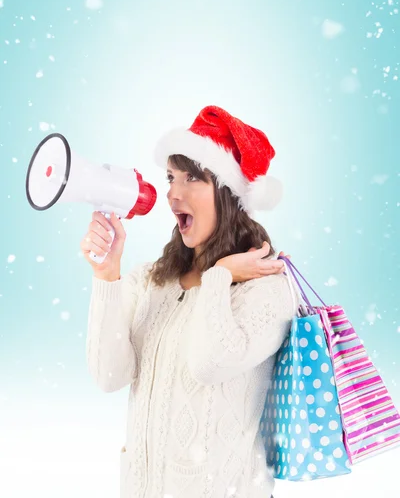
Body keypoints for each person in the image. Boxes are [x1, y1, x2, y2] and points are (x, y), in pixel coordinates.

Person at [82, 105, 297, 498]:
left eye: (193, 177)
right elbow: (109, 375)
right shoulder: (153, 279)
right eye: (170, 178)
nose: (172, 193)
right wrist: (106, 275)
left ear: (229, 194)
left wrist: (220, 278)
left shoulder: (268, 288)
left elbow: (209, 363)